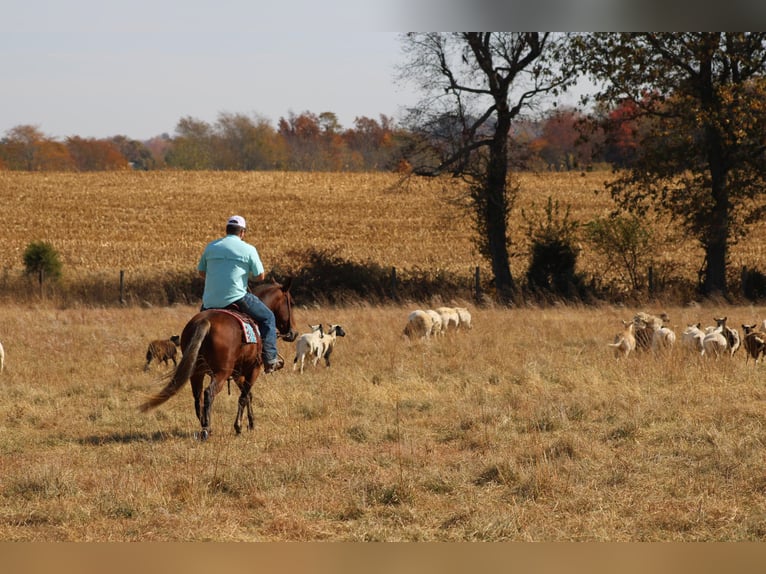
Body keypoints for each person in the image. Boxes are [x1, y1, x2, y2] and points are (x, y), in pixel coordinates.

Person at [198, 215, 284, 373]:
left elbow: (202, 272)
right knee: (268, 318)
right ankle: (270, 358)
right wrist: (245, 275)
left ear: (226, 230)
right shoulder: (249, 249)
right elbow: (260, 276)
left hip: (209, 301)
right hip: (237, 298)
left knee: (198, 326)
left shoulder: (211, 247)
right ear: (242, 232)